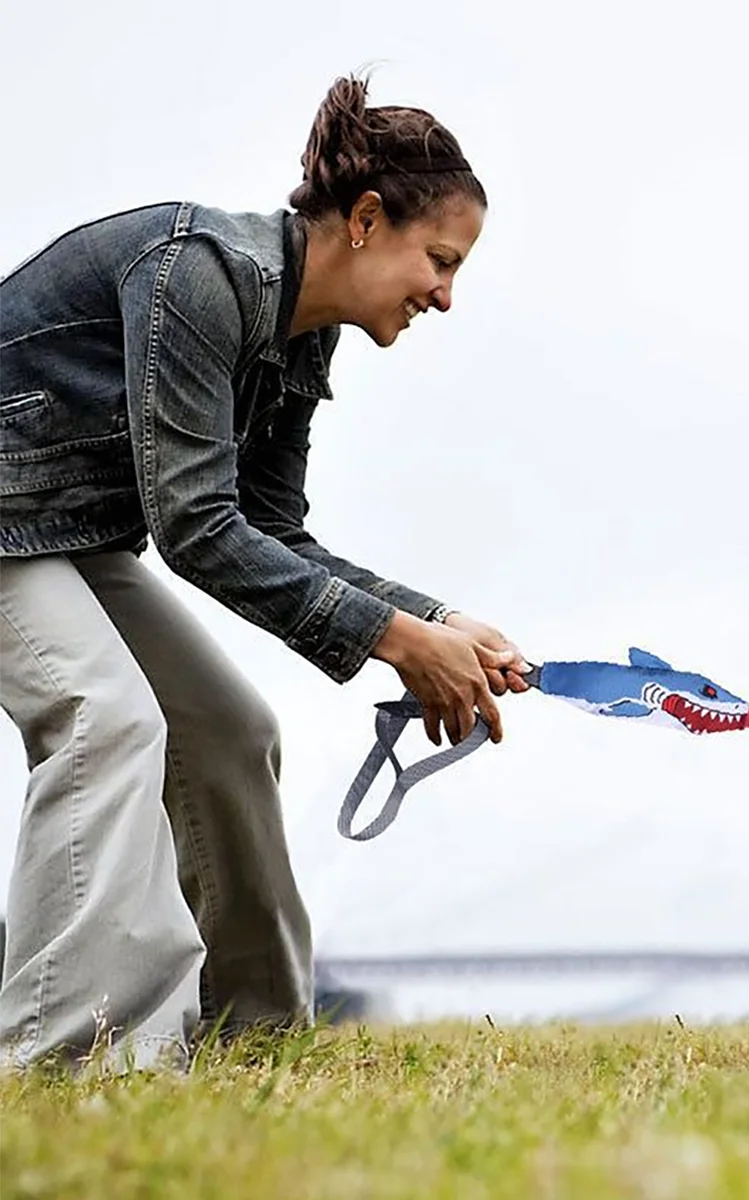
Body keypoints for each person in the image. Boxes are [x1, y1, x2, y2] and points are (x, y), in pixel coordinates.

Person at [0, 73, 529, 1069]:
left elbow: (271, 530)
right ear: (367, 220)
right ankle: (59, 1060)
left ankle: (256, 1041)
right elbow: (197, 529)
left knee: (231, 733)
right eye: (441, 261)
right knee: (108, 720)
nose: (446, 297)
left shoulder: (302, 335)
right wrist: (401, 644)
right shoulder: (199, 272)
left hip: (60, 531)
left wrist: (442, 621)